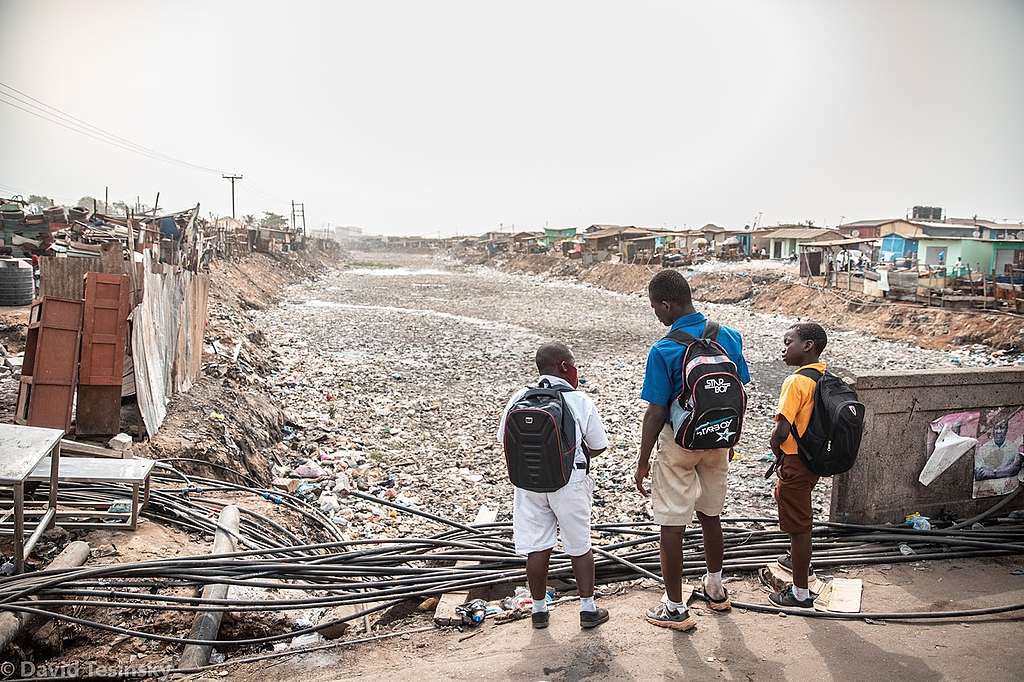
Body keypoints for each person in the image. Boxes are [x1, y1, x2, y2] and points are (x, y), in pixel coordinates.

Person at [636, 269, 751, 630]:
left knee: (672, 524)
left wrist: (642, 462)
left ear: (667, 305)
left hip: (679, 442)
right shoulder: (728, 335)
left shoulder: (665, 348)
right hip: (718, 438)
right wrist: (729, 438)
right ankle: (716, 590)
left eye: (656, 308)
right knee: (710, 515)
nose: (657, 314)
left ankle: (674, 608)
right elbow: (738, 391)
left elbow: (655, 411)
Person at [496, 342, 610, 629]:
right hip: (570, 482)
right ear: (563, 366)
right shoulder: (579, 401)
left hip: (528, 483)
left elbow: (503, 439)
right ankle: (587, 609)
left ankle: (538, 611)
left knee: (537, 547)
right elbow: (599, 445)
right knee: (579, 545)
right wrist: (573, 452)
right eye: (573, 364)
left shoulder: (519, 396)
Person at [767, 322, 829, 607]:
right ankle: (800, 565)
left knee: (799, 527)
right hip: (814, 458)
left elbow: (781, 431)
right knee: (801, 520)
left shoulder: (795, 382)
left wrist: (775, 448)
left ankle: (800, 592)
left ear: (808, 346)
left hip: (795, 461)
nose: (784, 348)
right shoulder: (823, 376)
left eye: (788, 341)